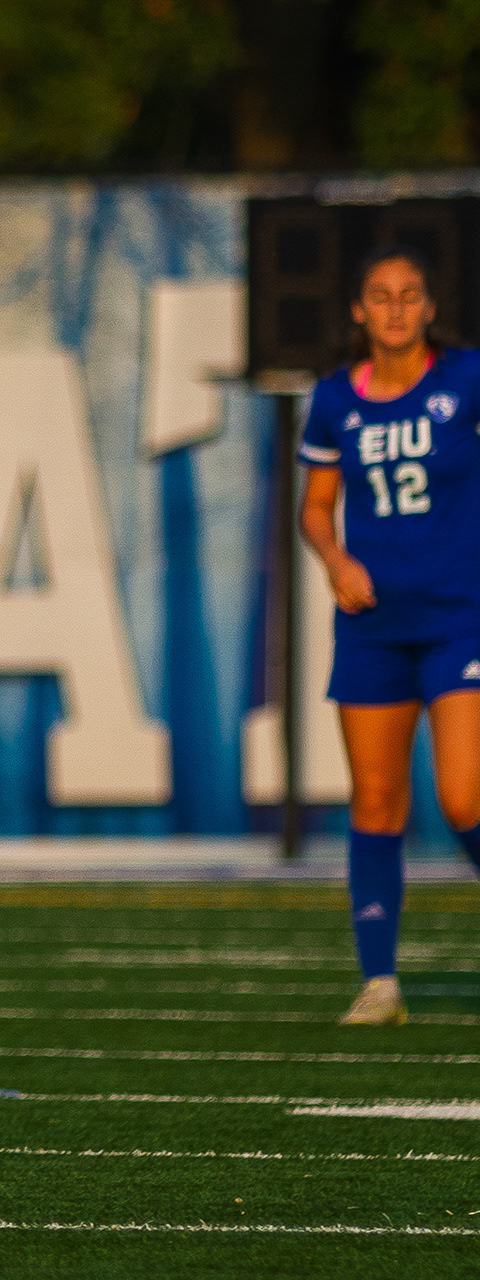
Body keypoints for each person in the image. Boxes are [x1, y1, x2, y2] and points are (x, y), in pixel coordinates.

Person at [299, 244, 480, 1026]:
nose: (397, 308)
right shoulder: (335, 399)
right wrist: (335, 558)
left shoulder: (466, 379)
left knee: (464, 797)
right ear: (358, 310)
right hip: (372, 628)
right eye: (381, 294)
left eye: (411, 295)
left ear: (431, 308)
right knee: (375, 802)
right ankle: (380, 986)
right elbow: (316, 506)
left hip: (459, 619)